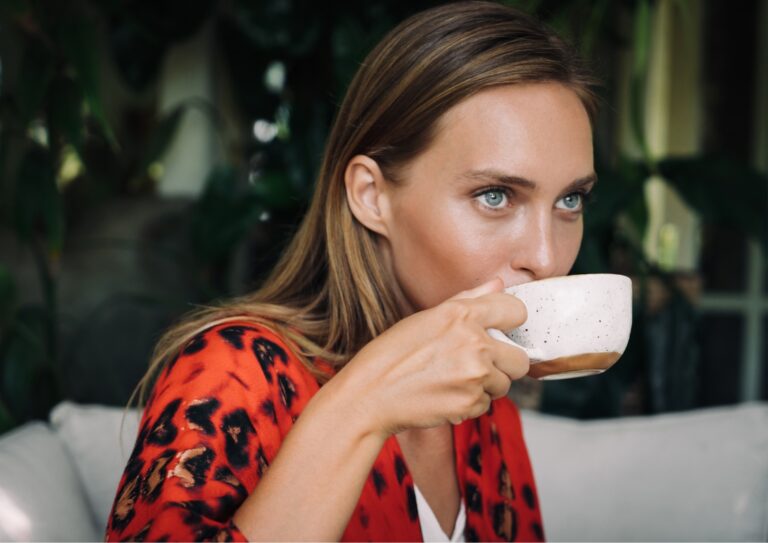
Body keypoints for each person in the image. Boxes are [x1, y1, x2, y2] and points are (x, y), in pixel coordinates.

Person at [105, 1, 598, 541]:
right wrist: (360, 408)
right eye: (496, 195)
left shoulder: (483, 399)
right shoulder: (239, 372)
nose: (548, 259)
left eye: (570, 200)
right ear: (372, 196)